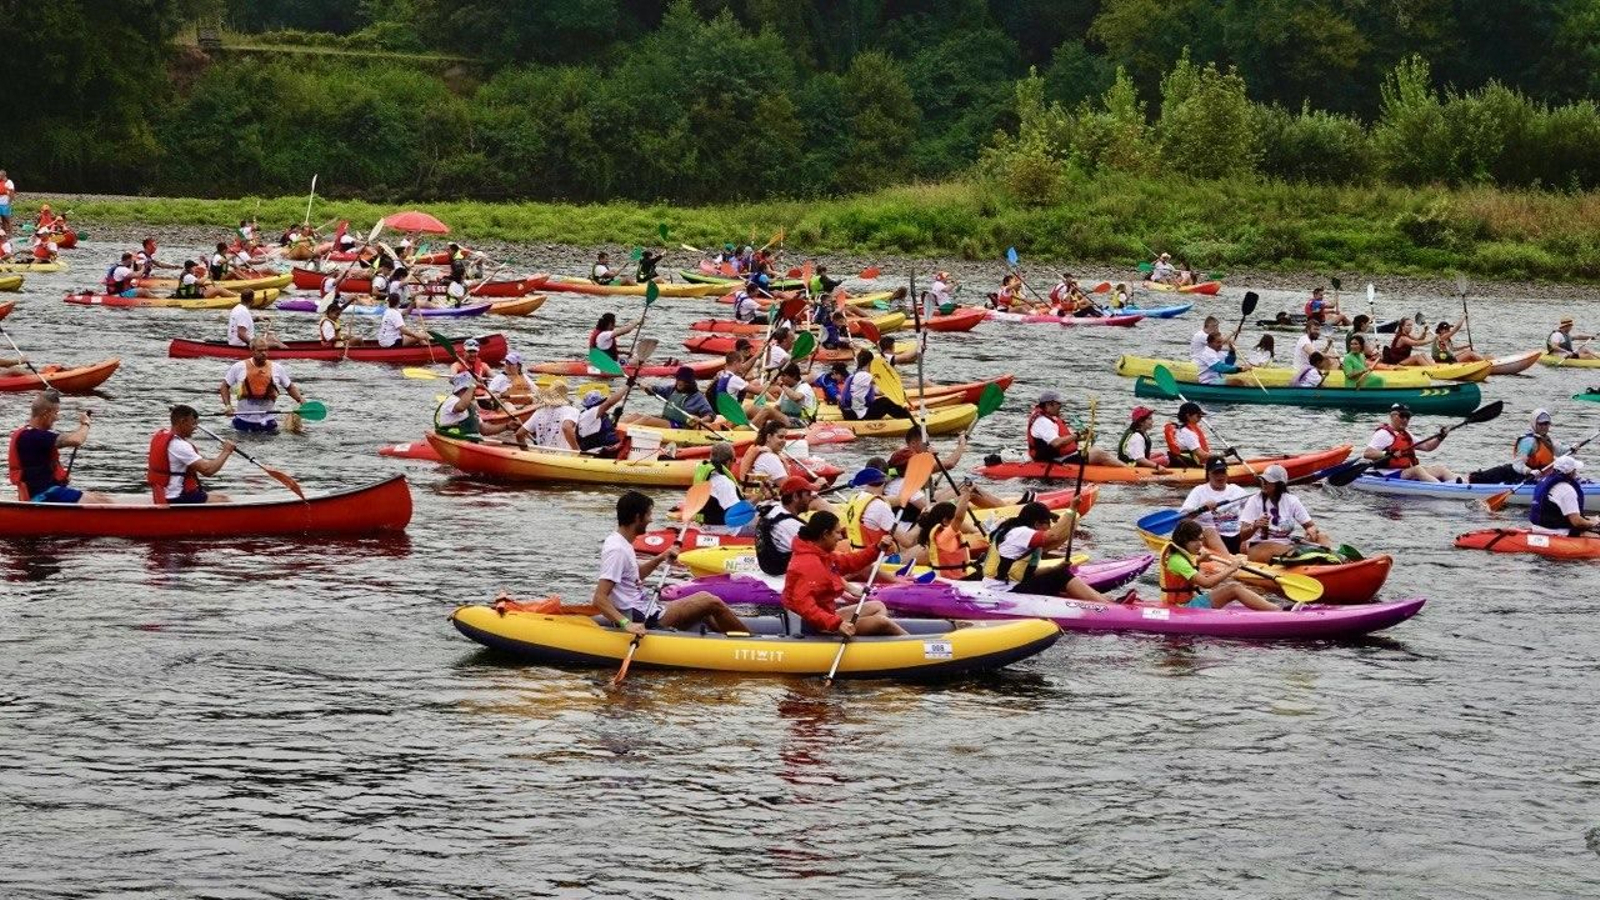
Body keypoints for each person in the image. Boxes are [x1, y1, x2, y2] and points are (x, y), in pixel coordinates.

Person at [563, 491, 747, 635]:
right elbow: (600, 598)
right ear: (637, 517)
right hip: (642, 617)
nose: (651, 520)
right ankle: (749, 643)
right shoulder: (617, 550)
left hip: (646, 608)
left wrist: (660, 558)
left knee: (704, 609)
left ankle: (727, 640)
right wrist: (627, 625)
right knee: (710, 600)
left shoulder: (621, 542)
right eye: (648, 515)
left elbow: (633, 576)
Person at [782, 510, 906, 637]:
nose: (841, 537)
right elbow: (804, 606)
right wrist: (837, 624)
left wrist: (877, 548)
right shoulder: (808, 564)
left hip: (827, 616)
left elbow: (850, 562)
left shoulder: (822, 555)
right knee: (882, 622)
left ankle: (868, 643)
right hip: (817, 625)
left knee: (878, 606)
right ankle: (913, 643)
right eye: (837, 532)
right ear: (825, 534)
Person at [982, 502, 1133, 603]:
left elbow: (1026, 572)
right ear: (1037, 524)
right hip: (1004, 590)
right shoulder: (1022, 533)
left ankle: (1108, 601)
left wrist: (1054, 568)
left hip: (1005, 585)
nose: (1050, 527)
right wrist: (1071, 509)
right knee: (1060, 577)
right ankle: (1110, 607)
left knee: (1056, 574)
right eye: (1048, 523)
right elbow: (1054, 536)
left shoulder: (1015, 531)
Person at [1159, 519, 1281, 611]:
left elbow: (1185, 573)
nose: (1199, 544)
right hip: (1183, 608)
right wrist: (1231, 568)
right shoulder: (1178, 560)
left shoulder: (1180, 556)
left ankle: (1273, 608)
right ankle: (1278, 612)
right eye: (1195, 540)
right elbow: (1207, 583)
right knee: (1234, 588)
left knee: (1233, 588)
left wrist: (1200, 561)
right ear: (1183, 541)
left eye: (1201, 539)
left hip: (1186, 603)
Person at [8, 392, 107, 503]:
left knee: (99, 497)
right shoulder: (32, 436)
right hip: (42, 496)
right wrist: (85, 424)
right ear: (46, 413)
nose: (57, 418)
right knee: (96, 502)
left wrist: (59, 479)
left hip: (49, 492)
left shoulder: (32, 435)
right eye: (56, 413)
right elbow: (76, 440)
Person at [1237, 464, 1332, 563]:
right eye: (1263, 480)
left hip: (1285, 545)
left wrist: (1311, 530)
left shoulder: (1291, 500)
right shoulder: (1254, 501)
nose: (1264, 483)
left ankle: (1324, 559)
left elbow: (1310, 526)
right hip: (1260, 546)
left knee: (1322, 537)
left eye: (1268, 481)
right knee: (1275, 547)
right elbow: (1243, 536)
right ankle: (1311, 557)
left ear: (1279, 484)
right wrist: (1256, 525)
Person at [148, 404, 235, 505]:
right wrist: (226, 451)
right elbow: (208, 470)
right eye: (193, 424)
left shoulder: (161, 435)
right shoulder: (179, 445)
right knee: (224, 499)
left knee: (218, 496)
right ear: (183, 421)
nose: (195, 428)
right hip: (177, 496)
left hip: (163, 493)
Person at [221, 338, 306, 433]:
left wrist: (300, 399)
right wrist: (228, 406)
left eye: (266, 350)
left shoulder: (277, 368)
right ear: (252, 351)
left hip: (268, 422)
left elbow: (290, 387)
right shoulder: (238, 367)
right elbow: (224, 386)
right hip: (243, 422)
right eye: (260, 350)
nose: (264, 353)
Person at [1364, 402, 1460, 483]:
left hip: (1404, 472)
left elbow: (1427, 447)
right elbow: (1368, 453)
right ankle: (1444, 489)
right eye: (1402, 416)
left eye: (1408, 416)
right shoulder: (1383, 434)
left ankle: (1465, 485)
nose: (1405, 420)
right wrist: (1388, 453)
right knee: (1417, 469)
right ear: (1393, 416)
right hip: (1388, 473)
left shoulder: (1407, 434)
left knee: (1439, 468)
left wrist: (1441, 437)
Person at [1468, 409, 1568, 484]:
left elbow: (1561, 451)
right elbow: (1517, 465)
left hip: (1538, 476)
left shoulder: (1547, 440)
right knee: (1478, 478)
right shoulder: (1527, 441)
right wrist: (1529, 471)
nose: (1544, 426)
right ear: (1534, 423)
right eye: (1541, 424)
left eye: (1546, 423)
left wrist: (1574, 447)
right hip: (1518, 475)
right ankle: (1469, 480)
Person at [1026, 390, 1122, 466]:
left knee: (1095, 450)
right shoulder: (1043, 421)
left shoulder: (1049, 418)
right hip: (1053, 459)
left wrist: (1083, 436)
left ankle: (1126, 469)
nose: (1061, 406)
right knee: (1099, 454)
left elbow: (1064, 439)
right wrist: (1077, 434)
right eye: (1058, 404)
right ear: (1048, 404)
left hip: (1060, 455)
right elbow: (1056, 443)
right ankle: (1132, 472)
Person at [1178, 456, 1249, 554]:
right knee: (1210, 531)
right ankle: (1230, 560)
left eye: (1223, 472)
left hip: (1236, 536)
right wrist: (1202, 508)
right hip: (1211, 538)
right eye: (1216, 472)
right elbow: (1183, 519)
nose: (1220, 476)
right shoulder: (1199, 491)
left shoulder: (1238, 491)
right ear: (1208, 474)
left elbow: (1252, 513)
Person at [435, 372, 529, 443]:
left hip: (471, 442)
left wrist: (507, 426)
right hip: (455, 441)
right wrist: (473, 385)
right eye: (473, 390)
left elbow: (484, 430)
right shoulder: (452, 400)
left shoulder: (471, 406)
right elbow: (460, 407)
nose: (475, 392)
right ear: (464, 389)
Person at [756, 476, 816, 575]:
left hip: (768, 565)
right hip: (785, 574)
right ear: (795, 497)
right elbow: (818, 553)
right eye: (808, 494)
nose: (812, 497)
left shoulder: (773, 508)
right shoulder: (791, 525)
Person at [623, 366, 715, 429]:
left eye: (682, 380)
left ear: (689, 382)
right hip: (667, 421)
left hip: (680, 426)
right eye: (678, 379)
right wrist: (647, 387)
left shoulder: (697, 397)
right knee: (635, 416)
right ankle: (615, 428)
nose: (679, 382)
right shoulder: (672, 389)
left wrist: (701, 420)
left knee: (647, 419)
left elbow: (711, 415)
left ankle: (624, 432)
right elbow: (657, 390)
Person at [841, 466, 905, 553]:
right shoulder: (880, 506)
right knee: (918, 548)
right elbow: (907, 541)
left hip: (855, 553)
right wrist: (921, 523)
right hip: (874, 558)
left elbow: (897, 500)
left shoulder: (855, 498)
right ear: (883, 483)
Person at [1529, 456, 1597, 537]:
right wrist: (1593, 524)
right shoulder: (1567, 490)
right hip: (1558, 531)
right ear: (1571, 472)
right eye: (1575, 470)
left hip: (1539, 527)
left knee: (1591, 520)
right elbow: (1577, 522)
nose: (1576, 473)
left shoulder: (1544, 481)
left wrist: (1591, 520)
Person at [693, 441, 749, 535]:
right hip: (727, 530)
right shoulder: (724, 482)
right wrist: (760, 497)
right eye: (734, 460)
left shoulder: (706, 476)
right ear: (728, 462)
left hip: (706, 525)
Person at [841, 350, 911, 421]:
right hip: (859, 415)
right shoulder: (865, 376)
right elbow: (884, 382)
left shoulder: (855, 374)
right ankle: (907, 419)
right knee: (885, 402)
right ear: (870, 362)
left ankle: (904, 414)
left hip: (851, 412)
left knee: (883, 399)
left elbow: (878, 391)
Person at [528, 380, 580, 450]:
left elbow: (519, 434)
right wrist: (577, 450)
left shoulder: (539, 411)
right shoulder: (572, 410)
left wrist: (526, 451)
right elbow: (566, 427)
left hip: (541, 456)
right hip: (563, 457)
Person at [576, 388, 626, 457]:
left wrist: (615, 416)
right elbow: (609, 403)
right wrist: (627, 386)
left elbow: (606, 427)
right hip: (597, 451)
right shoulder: (590, 414)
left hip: (605, 448)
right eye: (601, 403)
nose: (603, 405)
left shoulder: (593, 415)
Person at [1116, 406, 1168, 471]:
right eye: (1149, 419)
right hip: (1131, 465)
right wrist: (1157, 466)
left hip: (1134, 460)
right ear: (1141, 422)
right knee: (1166, 460)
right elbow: (1140, 460)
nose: (1152, 421)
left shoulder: (1140, 432)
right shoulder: (1137, 436)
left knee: (1162, 453)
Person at [1163, 401, 1211, 468]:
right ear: (1188, 416)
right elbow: (1202, 455)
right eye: (1198, 416)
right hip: (1189, 464)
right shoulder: (1187, 432)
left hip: (1188, 461)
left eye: (1201, 416)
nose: (1200, 418)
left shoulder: (1181, 429)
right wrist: (1223, 454)